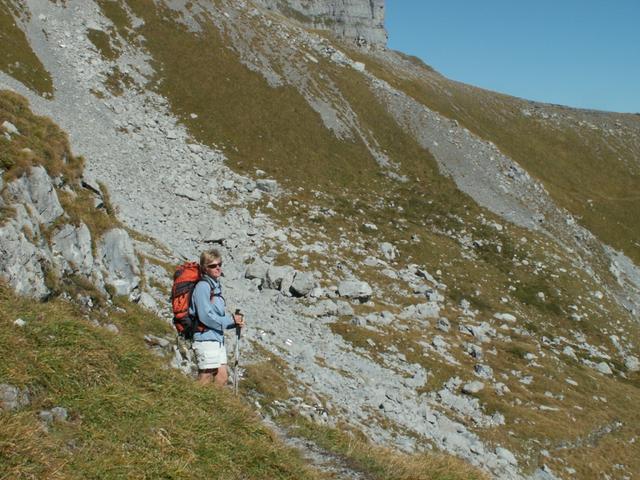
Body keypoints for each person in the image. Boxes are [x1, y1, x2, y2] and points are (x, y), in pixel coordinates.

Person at [190, 248, 244, 387]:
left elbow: (216, 316)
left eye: (219, 264)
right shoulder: (203, 286)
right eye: (213, 265)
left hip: (216, 338)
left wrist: (233, 323)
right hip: (205, 337)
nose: (218, 268)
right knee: (206, 376)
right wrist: (230, 320)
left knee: (222, 377)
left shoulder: (215, 287)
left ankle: (209, 402)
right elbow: (205, 316)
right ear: (204, 268)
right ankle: (190, 399)